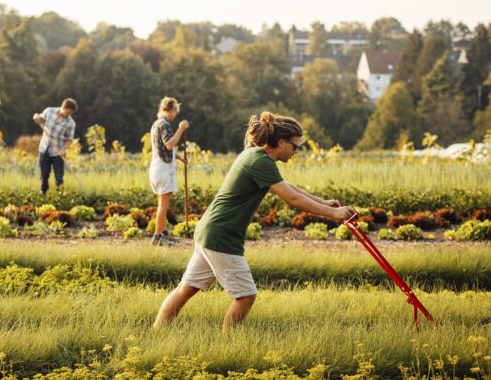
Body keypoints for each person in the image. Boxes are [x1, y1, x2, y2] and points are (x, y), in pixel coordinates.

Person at [153, 111, 356, 331]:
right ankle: (228, 345)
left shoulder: (256, 156)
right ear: (280, 142)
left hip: (209, 231)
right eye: (294, 146)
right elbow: (292, 198)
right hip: (221, 236)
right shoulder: (260, 162)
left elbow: (289, 188)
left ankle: (157, 332)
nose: (296, 151)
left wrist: (324, 203)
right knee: (246, 297)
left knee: (187, 288)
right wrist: (333, 214)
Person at [148, 97, 190, 246]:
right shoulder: (165, 125)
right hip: (163, 170)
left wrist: (179, 158)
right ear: (171, 110)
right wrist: (181, 129)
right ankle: (158, 237)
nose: (175, 115)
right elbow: (169, 144)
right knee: (163, 205)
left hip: (156, 168)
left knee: (162, 203)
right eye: (175, 112)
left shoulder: (155, 125)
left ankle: (163, 232)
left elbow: (161, 147)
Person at [33, 98, 77, 195]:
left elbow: (69, 139)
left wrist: (63, 150)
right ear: (63, 107)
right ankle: (43, 193)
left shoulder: (70, 123)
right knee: (44, 175)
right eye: (68, 112)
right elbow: (40, 119)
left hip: (58, 152)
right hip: (44, 148)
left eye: (71, 113)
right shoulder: (49, 111)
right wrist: (36, 117)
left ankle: (60, 195)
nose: (69, 115)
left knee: (59, 178)